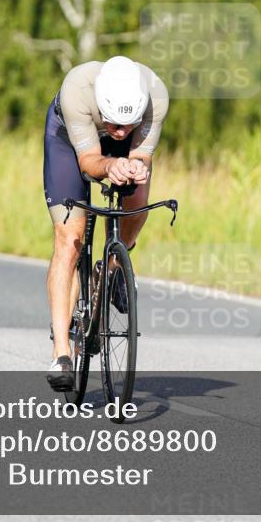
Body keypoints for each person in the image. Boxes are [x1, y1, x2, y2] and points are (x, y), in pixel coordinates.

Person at [42, 56, 169, 390]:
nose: (121, 132)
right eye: (114, 124)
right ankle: (62, 353)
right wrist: (110, 165)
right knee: (69, 240)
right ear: (102, 106)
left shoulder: (156, 95)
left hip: (118, 149)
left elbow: (141, 154)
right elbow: (88, 162)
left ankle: (112, 268)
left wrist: (137, 166)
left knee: (138, 203)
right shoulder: (78, 89)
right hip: (70, 144)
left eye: (128, 125)